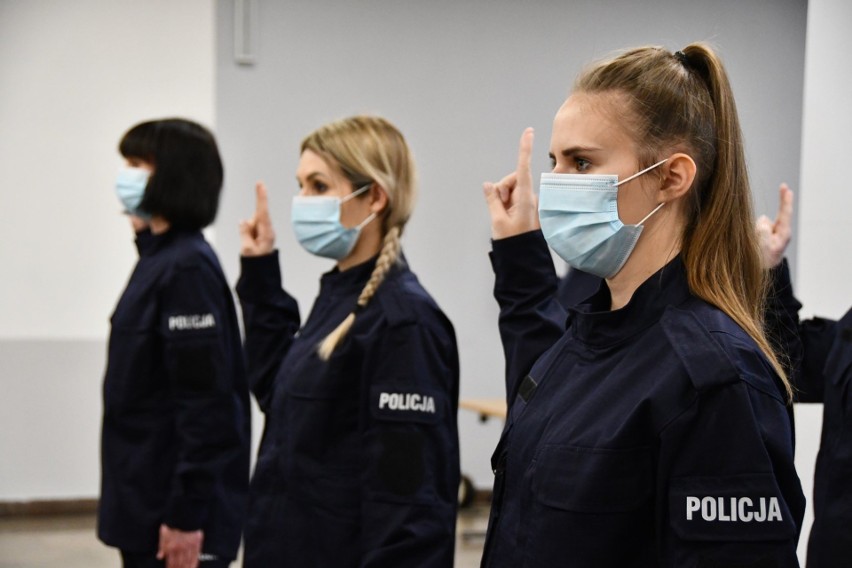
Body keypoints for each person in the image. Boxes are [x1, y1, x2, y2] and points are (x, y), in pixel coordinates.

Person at [480, 44, 805, 566]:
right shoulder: (584, 338)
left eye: (582, 162)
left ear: (671, 177)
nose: (557, 183)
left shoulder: (714, 377)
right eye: (555, 162)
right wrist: (519, 257)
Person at [236, 115, 460, 567]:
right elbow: (278, 395)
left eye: (318, 186)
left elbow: (410, 513)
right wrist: (260, 275)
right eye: (299, 185)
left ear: (375, 196)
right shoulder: (342, 297)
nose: (301, 201)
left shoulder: (404, 323)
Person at [99, 119, 251, 568]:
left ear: (172, 175)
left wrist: (187, 515)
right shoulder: (159, 259)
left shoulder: (186, 269)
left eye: (135, 164)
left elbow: (205, 407)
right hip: (147, 505)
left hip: (177, 519)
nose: (123, 176)